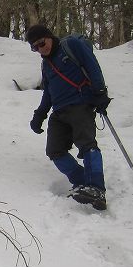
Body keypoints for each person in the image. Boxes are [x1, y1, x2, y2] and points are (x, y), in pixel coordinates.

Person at [26, 24, 111, 210]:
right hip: (59, 111)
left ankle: (97, 187)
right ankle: (81, 181)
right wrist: (39, 114)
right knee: (54, 150)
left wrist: (100, 92)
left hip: (81, 103)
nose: (41, 49)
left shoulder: (71, 45)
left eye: (42, 43)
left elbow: (92, 65)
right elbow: (48, 91)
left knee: (87, 144)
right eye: (35, 47)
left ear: (49, 36)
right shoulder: (45, 63)